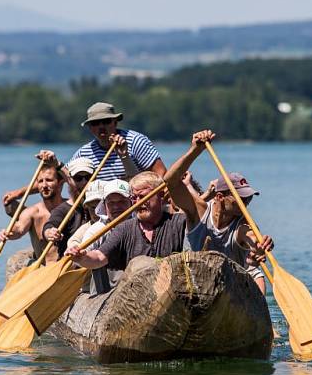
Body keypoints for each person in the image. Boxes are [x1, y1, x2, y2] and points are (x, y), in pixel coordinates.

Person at [163, 130, 273, 294]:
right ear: (220, 197)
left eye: (248, 197)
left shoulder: (243, 224)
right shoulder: (199, 210)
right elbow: (171, 181)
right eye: (240, 198)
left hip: (230, 293)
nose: (246, 202)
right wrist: (195, 150)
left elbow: (251, 238)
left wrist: (259, 247)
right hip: (195, 286)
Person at [66, 171, 186, 272]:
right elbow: (99, 257)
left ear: (161, 195)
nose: (138, 202)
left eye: (143, 197)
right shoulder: (124, 228)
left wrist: (187, 186)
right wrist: (81, 257)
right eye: (134, 198)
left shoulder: (179, 222)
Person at [69, 102, 166, 181]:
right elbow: (65, 176)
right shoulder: (83, 153)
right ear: (90, 127)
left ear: (115, 123)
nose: (101, 126)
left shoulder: (136, 141)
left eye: (106, 121)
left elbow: (161, 174)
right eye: (95, 123)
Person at [0, 156, 65, 261]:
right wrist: (8, 232)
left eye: (49, 180)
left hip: (70, 269)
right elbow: (19, 229)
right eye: (40, 181)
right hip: (44, 269)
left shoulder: (72, 208)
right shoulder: (32, 212)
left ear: (60, 183)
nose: (44, 185)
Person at [79, 179, 133, 294]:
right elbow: (84, 255)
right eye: (111, 203)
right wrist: (80, 256)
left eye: (122, 201)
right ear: (104, 205)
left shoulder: (141, 225)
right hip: (103, 296)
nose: (116, 207)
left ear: (131, 202)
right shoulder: (97, 230)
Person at [42, 157, 95, 256]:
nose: (84, 183)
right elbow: (50, 225)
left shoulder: (104, 204)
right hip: (71, 262)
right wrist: (50, 232)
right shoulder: (62, 210)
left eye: (88, 177)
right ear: (69, 180)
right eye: (78, 178)